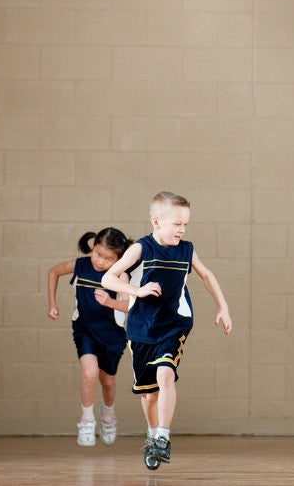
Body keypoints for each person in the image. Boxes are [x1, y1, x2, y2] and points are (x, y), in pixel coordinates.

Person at [101, 192, 232, 471]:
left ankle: (162, 436)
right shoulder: (141, 248)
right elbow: (107, 277)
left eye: (185, 225)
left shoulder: (186, 249)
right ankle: (152, 434)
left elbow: (206, 275)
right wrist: (137, 291)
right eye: (176, 224)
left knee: (165, 373)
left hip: (175, 324)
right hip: (141, 328)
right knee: (148, 395)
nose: (182, 230)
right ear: (156, 221)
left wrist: (223, 307)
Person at [46, 227, 133, 447]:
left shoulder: (121, 276)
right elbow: (53, 272)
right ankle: (86, 420)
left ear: (119, 259)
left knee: (108, 381)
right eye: (97, 253)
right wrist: (53, 303)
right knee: (89, 373)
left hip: (113, 334)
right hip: (85, 329)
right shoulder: (80, 266)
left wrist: (109, 302)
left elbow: (130, 307)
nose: (100, 261)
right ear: (92, 247)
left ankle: (108, 415)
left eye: (108, 258)